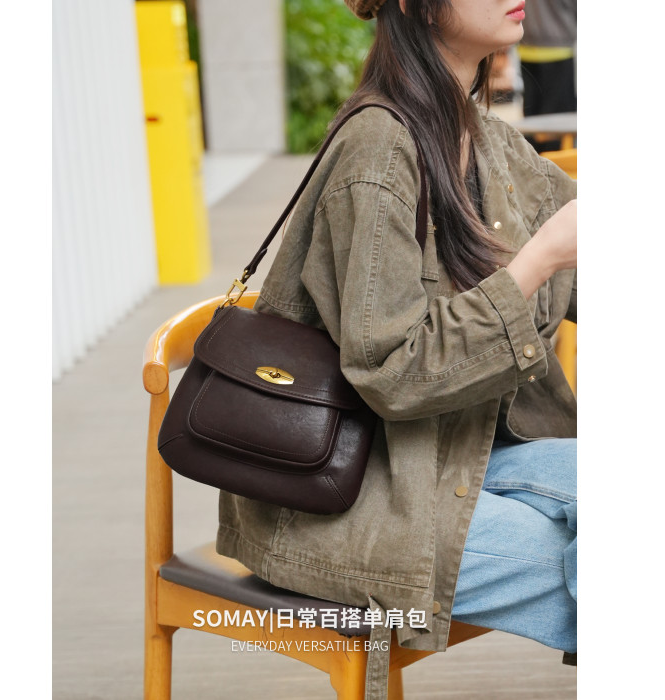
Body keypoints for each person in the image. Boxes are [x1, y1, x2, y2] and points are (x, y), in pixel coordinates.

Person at [216, 1, 577, 696]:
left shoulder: (488, 140)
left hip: (459, 450)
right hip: (345, 491)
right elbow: (392, 372)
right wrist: (535, 265)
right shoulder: (378, 149)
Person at [518, 0, 577, 150]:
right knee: (558, 126)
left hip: (528, 46)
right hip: (558, 47)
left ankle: (533, 159)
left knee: (533, 122)